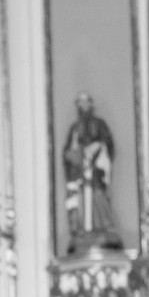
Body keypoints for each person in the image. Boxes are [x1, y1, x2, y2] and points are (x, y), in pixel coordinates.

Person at [62, 92, 122, 252]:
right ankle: (82, 230)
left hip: (96, 171)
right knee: (81, 200)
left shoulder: (100, 124)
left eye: (86, 102)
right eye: (80, 103)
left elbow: (107, 143)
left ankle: (104, 227)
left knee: (98, 195)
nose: (84, 106)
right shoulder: (74, 128)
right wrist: (76, 154)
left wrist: (98, 147)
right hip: (81, 173)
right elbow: (68, 152)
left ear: (91, 104)